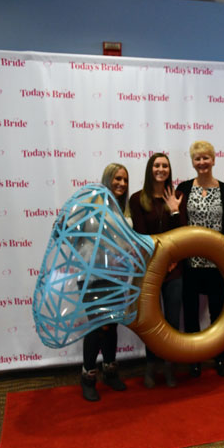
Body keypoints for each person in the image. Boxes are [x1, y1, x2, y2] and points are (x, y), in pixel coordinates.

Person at [176, 141, 224, 377]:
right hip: (190, 262)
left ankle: (219, 356)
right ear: (192, 162)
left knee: (218, 313)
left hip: (217, 264)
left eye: (206, 158)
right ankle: (195, 358)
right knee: (190, 314)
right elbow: (177, 221)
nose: (202, 163)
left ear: (214, 159)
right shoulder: (184, 188)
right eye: (197, 159)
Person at [129, 153, 185, 388]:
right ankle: (151, 367)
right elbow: (142, 236)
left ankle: (169, 368)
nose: (160, 169)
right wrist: (161, 261)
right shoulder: (136, 199)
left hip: (174, 269)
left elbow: (183, 233)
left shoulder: (178, 196)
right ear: (150, 170)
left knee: (172, 321)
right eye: (156, 165)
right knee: (151, 322)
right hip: (149, 270)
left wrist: (174, 210)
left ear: (169, 170)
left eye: (164, 166)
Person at [80, 163, 131, 402]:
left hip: (116, 276)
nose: (121, 183)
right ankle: (88, 376)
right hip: (92, 276)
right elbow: (70, 231)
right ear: (107, 179)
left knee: (111, 326)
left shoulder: (124, 208)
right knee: (97, 326)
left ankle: (110, 371)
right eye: (117, 179)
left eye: (124, 180)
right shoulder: (91, 205)